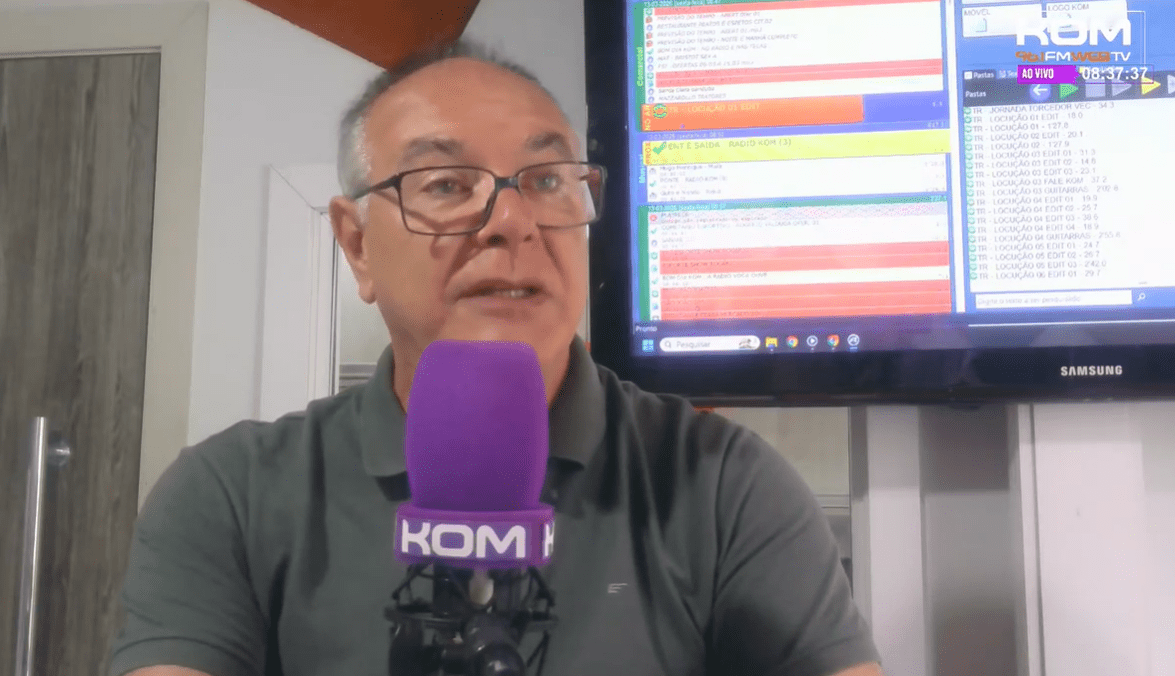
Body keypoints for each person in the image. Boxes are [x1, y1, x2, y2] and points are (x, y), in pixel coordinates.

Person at [109, 40, 884, 676]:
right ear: (356, 245)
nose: (511, 220)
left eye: (547, 180)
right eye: (447, 184)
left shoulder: (725, 484)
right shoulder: (230, 495)